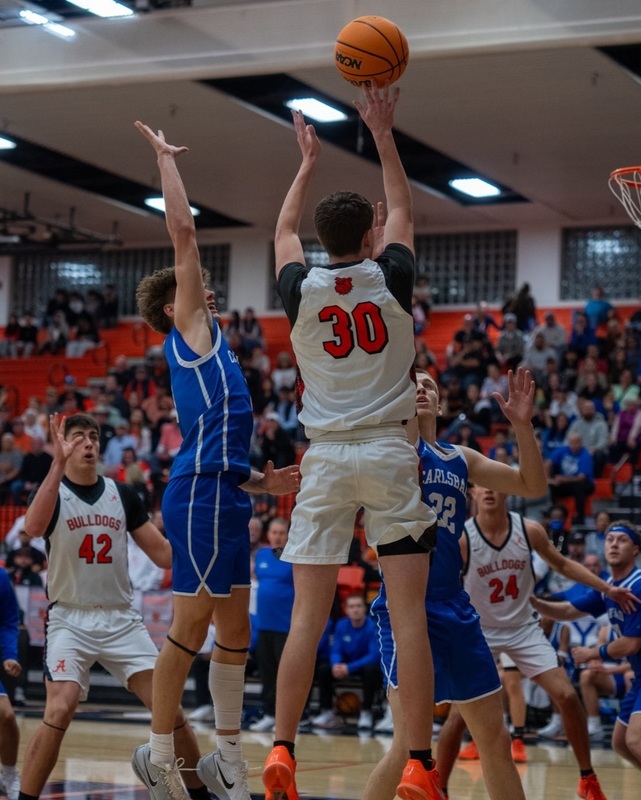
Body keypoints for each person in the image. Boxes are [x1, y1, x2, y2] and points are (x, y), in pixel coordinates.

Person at [263, 85, 439, 800]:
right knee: (406, 614)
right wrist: (383, 132)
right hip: (390, 453)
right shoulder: (391, 276)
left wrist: (304, 163)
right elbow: (403, 208)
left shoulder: (300, 288)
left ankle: (280, 749)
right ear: (368, 237)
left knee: (307, 615)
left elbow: (281, 231)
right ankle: (422, 766)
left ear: (320, 244)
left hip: (327, 459)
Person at [131, 121, 299, 800]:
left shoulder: (221, 352)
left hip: (225, 491)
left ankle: (225, 754)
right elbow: (185, 235)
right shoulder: (190, 330)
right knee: (192, 625)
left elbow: (228, 449)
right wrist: (168, 163)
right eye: (192, 290)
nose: (205, 293)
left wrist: (265, 482)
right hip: (196, 496)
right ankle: (157, 750)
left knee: (234, 625)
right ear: (174, 309)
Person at [363, 367, 546, 800]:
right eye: (414, 384)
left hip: (456, 609)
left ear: (442, 405)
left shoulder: (460, 457)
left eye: (430, 386)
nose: (422, 389)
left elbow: (531, 484)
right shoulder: (392, 451)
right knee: (408, 744)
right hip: (406, 609)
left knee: (496, 740)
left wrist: (522, 426)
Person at [17, 414, 208, 800]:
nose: (88, 443)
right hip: (70, 617)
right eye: (78, 438)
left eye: (93, 437)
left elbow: (164, 557)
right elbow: (33, 529)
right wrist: (56, 464)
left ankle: (202, 795)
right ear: (63, 445)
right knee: (60, 708)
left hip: (121, 619)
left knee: (169, 710)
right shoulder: (54, 493)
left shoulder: (122, 494)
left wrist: (201, 531)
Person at [437, 487, 639, 800]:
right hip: (479, 631)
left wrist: (606, 588)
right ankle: (440, 789)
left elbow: (563, 565)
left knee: (568, 696)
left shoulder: (529, 531)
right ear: (473, 492)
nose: (489, 490)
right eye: (483, 485)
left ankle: (587, 778)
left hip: (523, 628)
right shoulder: (463, 538)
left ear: (507, 491)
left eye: (496, 484)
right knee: (458, 715)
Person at [531, 521, 641, 800]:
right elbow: (570, 610)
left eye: (621, 540)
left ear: (635, 550)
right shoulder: (608, 587)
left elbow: (631, 644)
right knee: (621, 742)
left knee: (638, 740)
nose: (613, 544)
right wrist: (534, 603)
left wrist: (592, 653)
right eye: (609, 540)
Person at [248, 519, 294, 734]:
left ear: (288, 534)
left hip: (286, 626)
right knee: (267, 673)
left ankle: (289, 717)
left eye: (281, 532)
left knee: (286, 674)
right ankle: (268, 714)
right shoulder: (262, 555)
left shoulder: (295, 556)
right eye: (274, 532)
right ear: (268, 534)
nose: (277, 536)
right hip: (264, 624)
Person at [314, 594, 382, 733]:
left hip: (362, 665)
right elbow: (335, 650)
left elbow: (373, 655)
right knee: (324, 669)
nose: (355, 610)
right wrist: (336, 665)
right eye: (352, 606)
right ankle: (327, 711)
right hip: (346, 664)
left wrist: (349, 667)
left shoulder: (372, 626)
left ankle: (366, 712)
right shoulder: (341, 624)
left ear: (364, 609)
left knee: (372, 670)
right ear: (346, 609)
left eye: (358, 606)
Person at [579, 625, 634, 743]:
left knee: (630, 676)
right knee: (587, 675)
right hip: (610, 676)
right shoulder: (605, 630)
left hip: (629, 672)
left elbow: (638, 663)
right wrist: (594, 664)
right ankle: (594, 725)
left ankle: (631, 725)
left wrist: (609, 670)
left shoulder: (635, 628)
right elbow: (597, 655)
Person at [0, 569, 21, 800]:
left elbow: (7, 621)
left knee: (5, 716)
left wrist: (10, 655)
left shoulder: (1, 577)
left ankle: (8, 775)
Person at [545, 432, 595, 524]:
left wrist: (563, 479)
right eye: (571, 442)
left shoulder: (585, 454)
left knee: (579, 487)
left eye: (576, 442)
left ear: (581, 442)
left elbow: (582, 477)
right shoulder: (562, 450)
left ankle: (580, 518)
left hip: (584, 484)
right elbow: (548, 463)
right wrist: (549, 480)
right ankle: (553, 514)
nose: (574, 444)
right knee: (552, 487)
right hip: (565, 483)